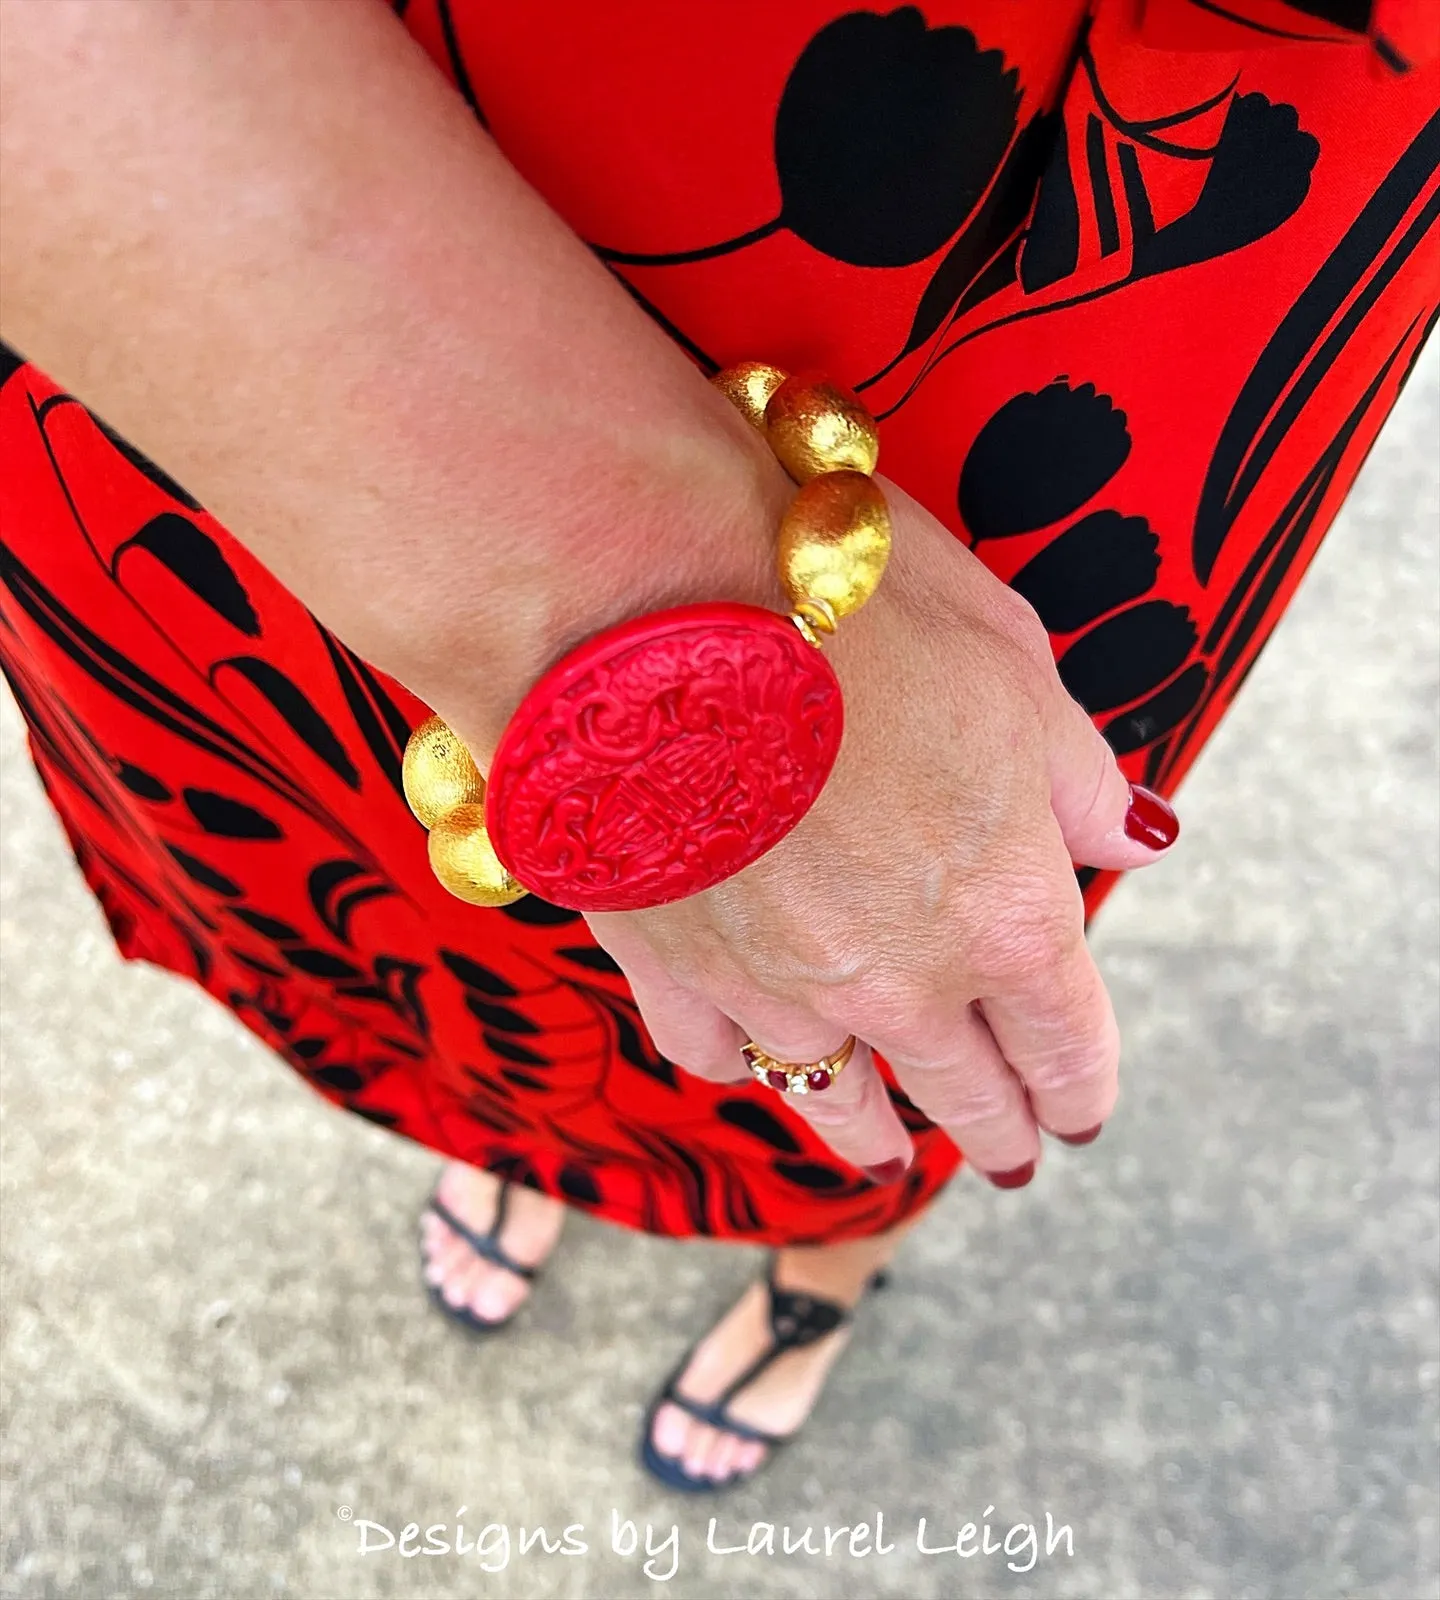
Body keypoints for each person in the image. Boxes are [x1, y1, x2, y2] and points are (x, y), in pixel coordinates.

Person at [1, 0, 1435, 1493]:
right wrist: (648, 629)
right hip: (190, 248)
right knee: (474, 934)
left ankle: (824, 1244)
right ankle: (527, 1137)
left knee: (929, 935)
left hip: (1013, 229)